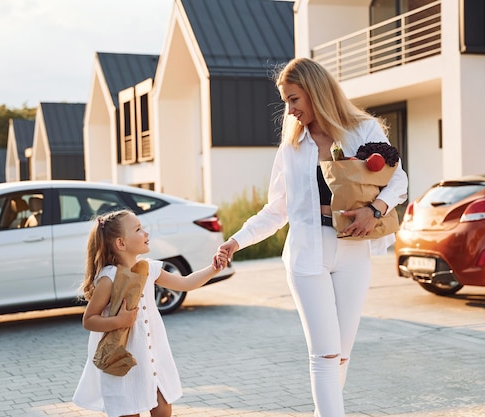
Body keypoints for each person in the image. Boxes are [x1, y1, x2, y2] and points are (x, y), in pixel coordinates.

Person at [214, 57, 408, 417]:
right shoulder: (292, 145)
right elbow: (277, 208)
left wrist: (374, 209)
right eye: (286, 101)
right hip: (306, 256)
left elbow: (398, 180)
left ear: (316, 93)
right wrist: (236, 241)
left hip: (352, 253)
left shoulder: (363, 130)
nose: (289, 109)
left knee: (343, 354)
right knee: (325, 354)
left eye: (294, 100)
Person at [73, 209, 228, 417]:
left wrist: (213, 269)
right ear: (121, 243)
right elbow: (89, 320)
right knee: (130, 411)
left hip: (152, 355)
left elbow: (185, 283)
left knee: (163, 409)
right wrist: (119, 320)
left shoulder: (149, 269)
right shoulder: (108, 278)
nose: (146, 233)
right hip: (124, 358)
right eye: (138, 229)